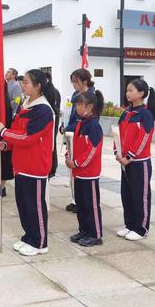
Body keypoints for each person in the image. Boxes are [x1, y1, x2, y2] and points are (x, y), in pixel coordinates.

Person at [0, 70, 56, 256]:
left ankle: (40, 242)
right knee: (23, 205)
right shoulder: (26, 104)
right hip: (21, 164)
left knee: (35, 206)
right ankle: (29, 237)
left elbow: (28, 137)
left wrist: (4, 132)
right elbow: (17, 131)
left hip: (35, 165)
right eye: (23, 82)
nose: (23, 85)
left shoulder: (43, 109)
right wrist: (6, 144)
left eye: (27, 82)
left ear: (38, 86)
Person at [115, 79, 155, 241]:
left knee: (140, 195)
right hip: (124, 161)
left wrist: (130, 156)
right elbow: (117, 133)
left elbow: (143, 138)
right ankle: (130, 225)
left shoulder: (145, 115)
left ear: (141, 93)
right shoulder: (126, 113)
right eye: (127, 90)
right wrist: (117, 152)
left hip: (139, 163)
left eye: (131, 90)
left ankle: (141, 228)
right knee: (127, 194)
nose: (127, 93)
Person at [65, 89, 104, 247]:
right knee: (81, 204)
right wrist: (69, 156)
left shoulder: (94, 126)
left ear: (90, 107)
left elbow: (93, 149)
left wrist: (78, 162)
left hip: (89, 173)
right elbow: (73, 144)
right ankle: (84, 230)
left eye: (81, 104)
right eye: (77, 104)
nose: (78, 108)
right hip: (78, 172)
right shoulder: (80, 124)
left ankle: (95, 234)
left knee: (91, 204)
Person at [62, 69, 95, 213]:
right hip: (71, 133)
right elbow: (71, 115)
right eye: (72, 81)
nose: (73, 84)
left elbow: (83, 120)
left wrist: (69, 127)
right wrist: (64, 127)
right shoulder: (75, 95)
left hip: (81, 135)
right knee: (71, 169)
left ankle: (80, 200)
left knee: (80, 166)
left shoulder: (91, 96)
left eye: (76, 81)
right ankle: (74, 198)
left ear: (84, 81)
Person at [45, 72, 61, 178]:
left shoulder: (53, 92)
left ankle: (52, 168)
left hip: (53, 120)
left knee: (52, 145)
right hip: (52, 120)